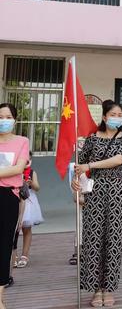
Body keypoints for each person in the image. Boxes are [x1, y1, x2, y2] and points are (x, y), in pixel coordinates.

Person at [71, 100, 122, 308]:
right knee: (93, 239)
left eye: (119, 115)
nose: (116, 118)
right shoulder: (91, 140)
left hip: (117, 192)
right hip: (94, 193)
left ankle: (109, 288)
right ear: (104, 117)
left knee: (113, 240)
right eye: (112, 114)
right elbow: (80, 167)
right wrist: (76, 180)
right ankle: (96, 288)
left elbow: (118, 160)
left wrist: (90, 165)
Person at [0, 103, 29, 309]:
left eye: (8, 117)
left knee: (3, 246)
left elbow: (19, 168)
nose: (4, 120)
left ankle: (0, 297)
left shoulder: (22, 141)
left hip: (8, 196)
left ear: (15, 120)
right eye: (0, 116)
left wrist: (11, 171)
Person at [17, 153, 43, 268]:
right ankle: (13, 256)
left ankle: (24, 255)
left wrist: (31, 183)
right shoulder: (14, 171)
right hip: (15, 201)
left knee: (26, 229)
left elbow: (37, 187)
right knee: (13, 231)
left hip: (28, 202)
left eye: (29, 159)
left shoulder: (32, 172)